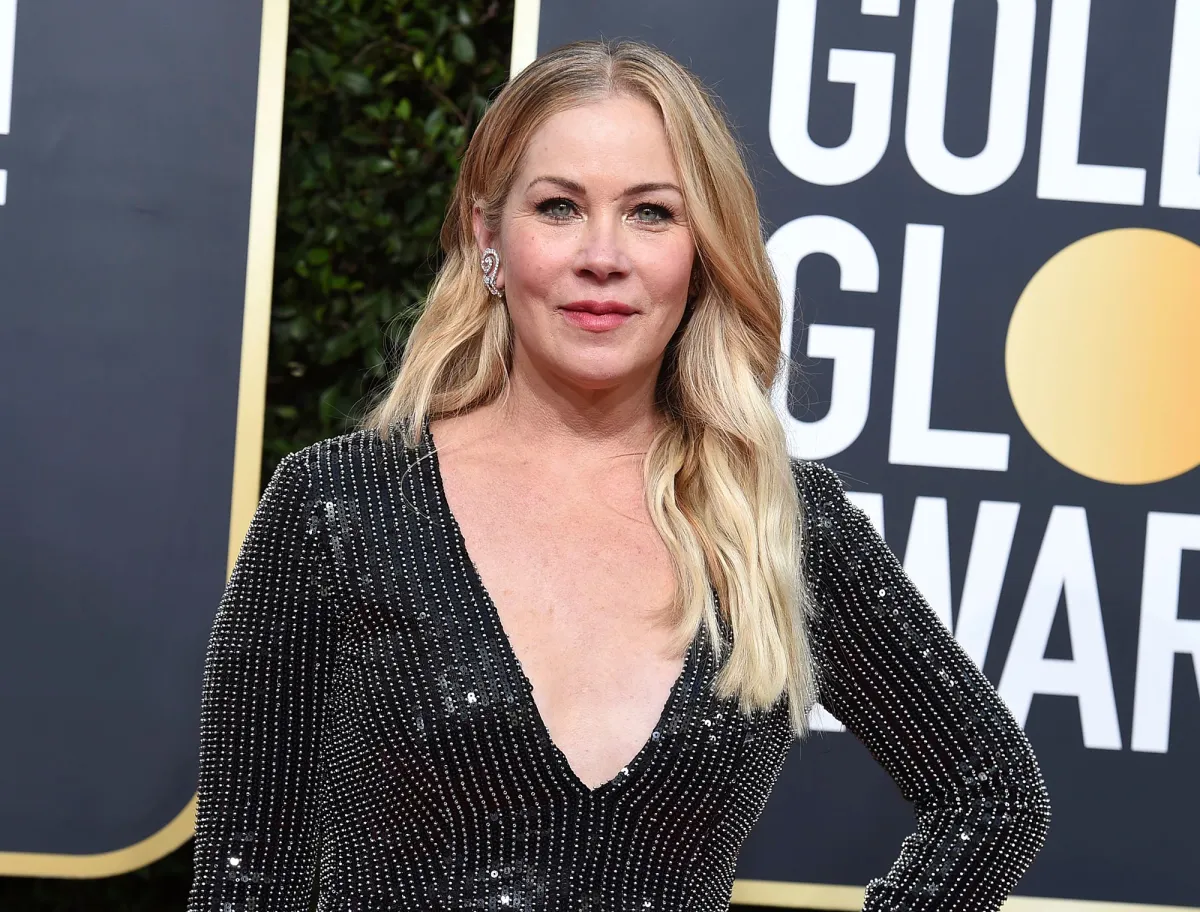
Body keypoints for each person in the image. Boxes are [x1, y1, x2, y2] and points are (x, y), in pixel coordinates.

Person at [187, 38, 1050, 912]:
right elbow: (244, 883)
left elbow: (995, 797)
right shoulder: (338, 505)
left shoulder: (778, 521)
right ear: (488, 236)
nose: (603, 255)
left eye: (651, 213)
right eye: (559, 207)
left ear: (701, 249)